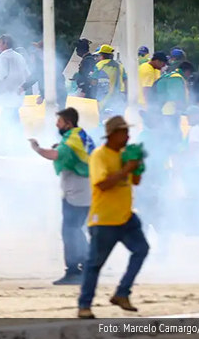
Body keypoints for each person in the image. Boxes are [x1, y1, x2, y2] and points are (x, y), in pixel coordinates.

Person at [77, 116, 149, 319]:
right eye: (123, 132)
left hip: (125, 216)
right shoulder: (100, 155)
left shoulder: (125, 154)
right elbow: (102, 184)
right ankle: (84, 305)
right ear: (112, 135)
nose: (127, 136)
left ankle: (122, 292)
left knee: (142, 250)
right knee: (94, 265)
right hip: (105, 220)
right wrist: (126, 168)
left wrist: (137, 167)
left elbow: (135, 181)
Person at [29, 107, 95, 285]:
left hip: (78, 190)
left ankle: (74, 271)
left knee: (70, 230)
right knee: (75, 229)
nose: (57, 125)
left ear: (68, 123)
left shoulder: (72, 139)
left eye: (59, 122)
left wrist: (37, 149)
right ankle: (89, 264)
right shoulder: (79, 136)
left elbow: (56, 155)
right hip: (83, 188)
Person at [0, 34, 30, 126]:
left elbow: (1, 76)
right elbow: (27, 74)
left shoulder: (3, 57)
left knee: (6, 120)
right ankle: (16, 137)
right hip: (19, 94)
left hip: (8, 94)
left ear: (5, 44)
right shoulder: (20, 56)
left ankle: (8, 138)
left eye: (0, 43)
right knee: (14, 118)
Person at [91, 44, 127, 113]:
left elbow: (94, 82)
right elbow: (125, 81)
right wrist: (126, 95)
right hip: (118, 98)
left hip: (103, 98)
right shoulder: (120, 66)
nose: (97, 58)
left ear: (102, 56)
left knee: (102, 120)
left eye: (98, 56)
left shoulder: (99, 65)